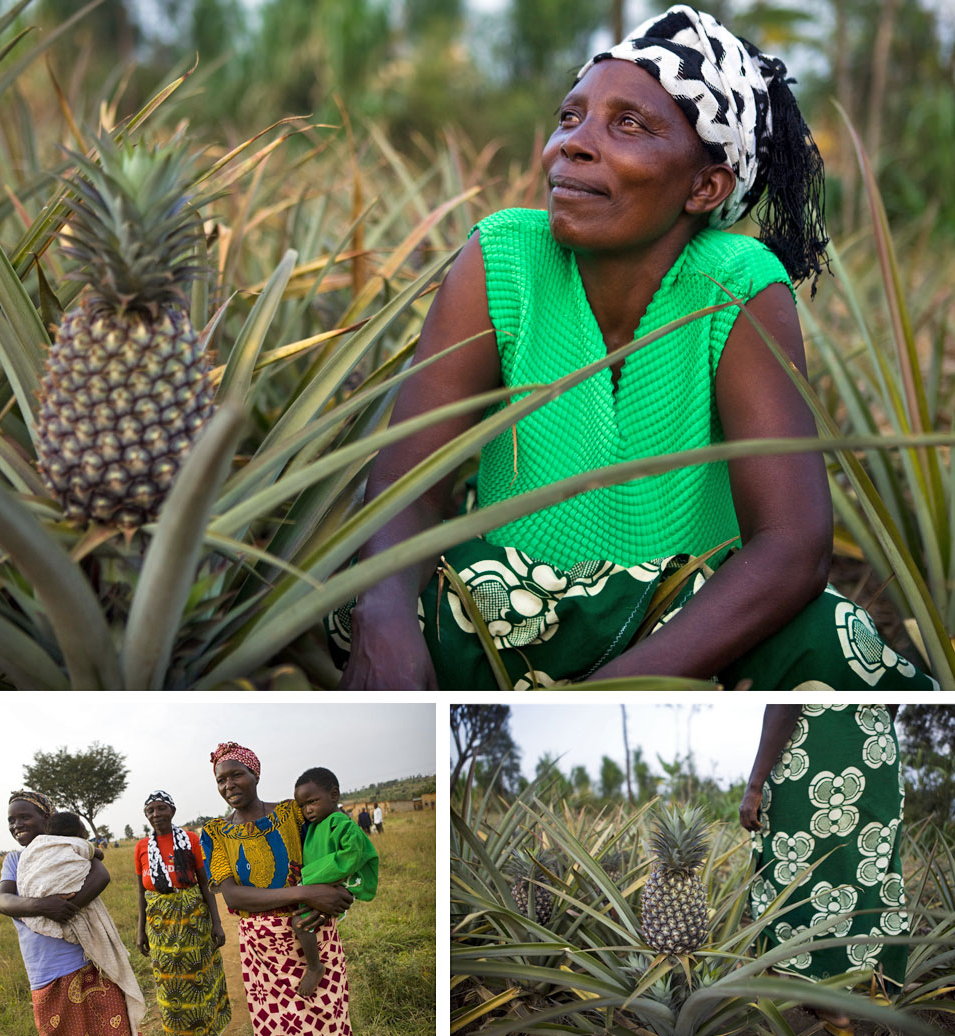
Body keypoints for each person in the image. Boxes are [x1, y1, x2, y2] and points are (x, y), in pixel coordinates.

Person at [330, 4, 939, 691]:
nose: (572, 145)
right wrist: (383, 620)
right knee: (355, 603)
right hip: (506, 607)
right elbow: (409, 483)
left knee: (826, 635)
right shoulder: (503, 256)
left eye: (628, 124)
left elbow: (793, 549)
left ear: (705, 187)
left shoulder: (737, 285)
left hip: (683, 622)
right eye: (570, 118)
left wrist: (614, 693)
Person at [740, 705, 908, 1036]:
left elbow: (788, 702)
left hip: (816, 746)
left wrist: (755, 784)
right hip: (875, 748)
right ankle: (854, 974)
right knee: (864, 864)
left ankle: (822, 989)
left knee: (792, 860)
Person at [200, 742, 355, 1035]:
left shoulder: (292, 814)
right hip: (262, 950)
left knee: (328, 1021)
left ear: (255, 774)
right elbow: (233, 895)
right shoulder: (215, 834)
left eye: (236, 775)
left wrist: (338, 890)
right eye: (221, 780)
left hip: (313, 928)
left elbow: (332, 847)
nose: (229, 785)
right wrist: (305, 893)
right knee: (280, 1026)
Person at [0, 791, 145, 1036]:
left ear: (47, 819)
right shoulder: (15, 860)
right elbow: (3, 902)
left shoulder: (70, 846)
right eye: (11, 820)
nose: (17, 825)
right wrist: (45, 907)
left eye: (25, 817)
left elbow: (101, 875)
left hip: (88, 960)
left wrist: (67, 909)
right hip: (44, 972)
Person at [136, 790, 231, 1036]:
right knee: (169, 985)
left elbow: (204, 884)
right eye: (150, 811)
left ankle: (206, 1029)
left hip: (195, 925)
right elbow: (140, 894)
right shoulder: (141, 847)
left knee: (199, 978)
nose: (156, 814)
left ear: (173, 811)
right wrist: (140, 932)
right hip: (159, 930)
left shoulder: (190, 840)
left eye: (161, 808)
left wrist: (217, 924)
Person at [291, 767, 379, 996]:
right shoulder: (312, 827)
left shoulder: (341, 823)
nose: (307, 810)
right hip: (319, 884)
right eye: (302, 806)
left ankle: (315, 967)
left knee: (300, 922)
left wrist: (310, 879)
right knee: (303, 921)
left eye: (312, 802)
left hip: (337, 883)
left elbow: (350, 856)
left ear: (334, 795)